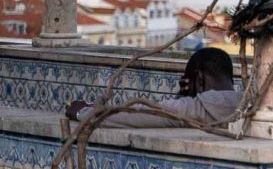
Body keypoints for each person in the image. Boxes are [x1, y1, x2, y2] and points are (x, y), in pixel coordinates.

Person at [64, 47, 242, 128]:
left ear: (198, 79)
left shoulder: (198, 109)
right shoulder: (250, 102)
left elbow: (138, 115)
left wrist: (84, 112)